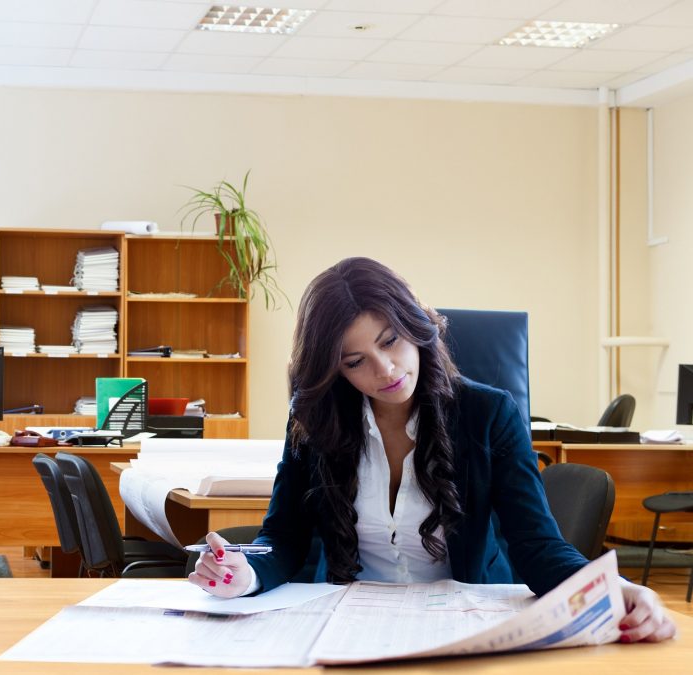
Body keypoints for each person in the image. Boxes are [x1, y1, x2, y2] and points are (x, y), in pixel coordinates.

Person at [188, 257, 675, 644]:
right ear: (336, 371)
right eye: (356, 361)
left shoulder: (490, 414)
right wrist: (245, 571)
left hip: (464, 624)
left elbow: (537, 547)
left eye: (391, 341)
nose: (385, 370)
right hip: (343, 626)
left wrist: (621, 591)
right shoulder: (317, 420)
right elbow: (284, 536)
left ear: (415, 326)